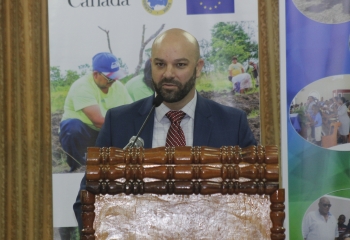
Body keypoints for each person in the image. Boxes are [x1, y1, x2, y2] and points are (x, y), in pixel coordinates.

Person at [73, 28, 257, 232]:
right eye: (160, 64)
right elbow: (86, 202)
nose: (168, 74)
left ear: (198, 68)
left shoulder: (232, 123)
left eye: (180, 65)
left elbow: (255, 202)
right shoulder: (119, 122)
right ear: (151, 65)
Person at [59, 52, 133, 172]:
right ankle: (78, 167)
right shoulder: (82, 86)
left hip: (105, 132)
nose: (113, 80)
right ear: (95, 74)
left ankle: (115, 165)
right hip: (86, 133)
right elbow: (98, 121)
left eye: (116, 76)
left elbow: (131, 112)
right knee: (72, 127)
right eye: (110, 77)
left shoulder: (119, 87)